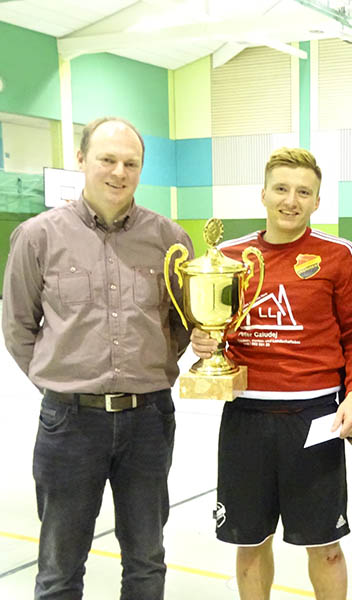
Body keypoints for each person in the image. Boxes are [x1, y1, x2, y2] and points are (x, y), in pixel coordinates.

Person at [2, 117, 193, 599]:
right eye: (107, 159)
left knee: (146, 561)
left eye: (130, 163)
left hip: (149, 421)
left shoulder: (170, 239)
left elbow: (184, 321)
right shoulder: (37, 236)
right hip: (69, 425)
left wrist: (153, 367)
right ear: (82, 161)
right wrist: (62, 378)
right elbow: (18, 326)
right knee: (60, 568)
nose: (118, 172)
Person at [190, 147, 352, 600]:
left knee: (325, 546)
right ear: (264, 194)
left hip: (315, 418)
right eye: (282, 189)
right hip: (246, 419)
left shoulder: (339, 255)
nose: (291, 200)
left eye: (303, 192)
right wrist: (206, 343)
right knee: (250, 543)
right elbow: (220, 330)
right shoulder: (229, 258)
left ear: (317, 201)